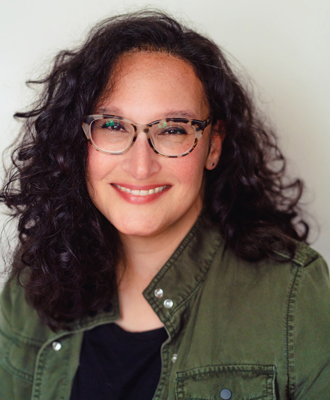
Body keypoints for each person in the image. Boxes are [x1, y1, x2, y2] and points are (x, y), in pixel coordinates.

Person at [0, 10, 329, 400]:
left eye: (173, 129)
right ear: (78, 141)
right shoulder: (33, 282)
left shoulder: (293, 292)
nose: (140, 166)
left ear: (214, 144)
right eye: (113, 125)